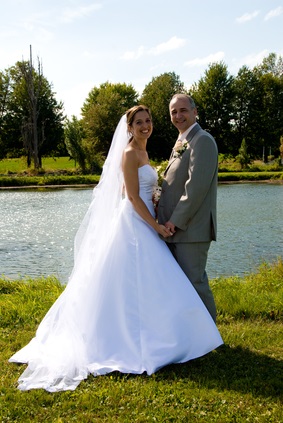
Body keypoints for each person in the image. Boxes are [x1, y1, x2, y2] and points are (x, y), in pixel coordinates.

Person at [9, 105, 222, 392]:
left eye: (148, 121)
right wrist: (157, 226)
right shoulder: (129, 153)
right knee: (131, 281)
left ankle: (183, 335)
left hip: (148, 219)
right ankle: (130, 340)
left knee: (160, 282)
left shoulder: (147, 152)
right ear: (129, 127)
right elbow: (133, 198)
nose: (145, 126)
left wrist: (157, 208)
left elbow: (142, 192)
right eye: (138, 122)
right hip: (135, 223)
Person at [158, 94, 218, 322]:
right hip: (175, 228)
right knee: (181, 285)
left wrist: (175, 221)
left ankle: (211, 334)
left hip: (191, 228)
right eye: (174, 112)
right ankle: (193, 334)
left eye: (183, 110)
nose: (178, 115)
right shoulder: (182, 141)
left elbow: (195, 188)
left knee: (195, 282)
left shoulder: (202, 140)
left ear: (195, 112)